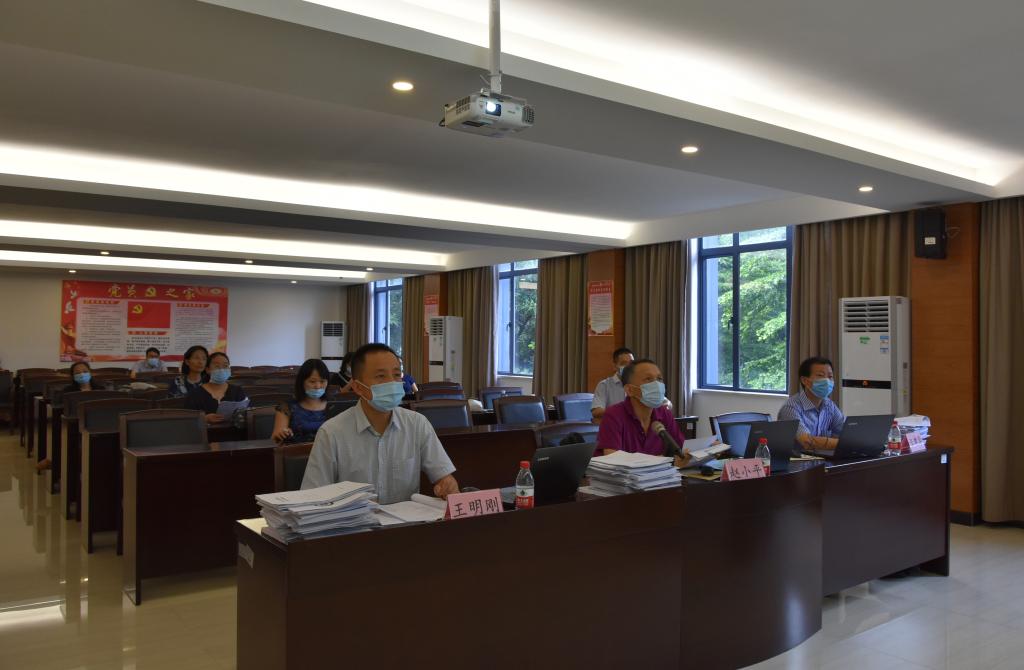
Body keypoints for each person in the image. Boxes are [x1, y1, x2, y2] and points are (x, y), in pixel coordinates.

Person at [301, 343, 459, 504]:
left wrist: (447, 485)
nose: (392, 382)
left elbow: (444, 476)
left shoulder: (417, 424)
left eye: (396, 375)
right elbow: (313, 498)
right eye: (381, 376)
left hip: (405, 519)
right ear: (358, 387)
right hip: (354, 520)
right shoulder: (332, 432)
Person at [596, 358, 689, 464]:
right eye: (648, 379)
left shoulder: (664, 413)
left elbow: (681, 449)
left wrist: (687, 456)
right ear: (630, 390)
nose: (656, 384)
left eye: (659, 379)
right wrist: (659, 460)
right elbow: (612, 459)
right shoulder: (613, 415)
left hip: (662, 474)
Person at [778, 356, 846, 451]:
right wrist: (846, 443)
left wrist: (849, 442)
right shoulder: (790, 408)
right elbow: (807, 442)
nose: (827, 381)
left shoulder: (830, 405)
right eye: (820, 375)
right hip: (796, 459)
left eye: (830, 377)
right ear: (804, 380)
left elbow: (845, 434)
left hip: (821, 457)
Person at [272, 358, 329, 444]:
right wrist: (282, 434)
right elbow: (275, 439)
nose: (318, 386)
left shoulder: (333, 405)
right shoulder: (286, 407)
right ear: (302, 382)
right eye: (312, 381)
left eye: (322, 381)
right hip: (296, 451)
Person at [184, 352, 248, 424]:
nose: (221, 370)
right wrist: (204, 419)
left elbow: (246, 414)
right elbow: (187, 420)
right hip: (206, 431)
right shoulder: (195, 394)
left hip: (234, 430)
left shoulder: (237, 391)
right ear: (208, 370)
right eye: (217, 366)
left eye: (225, 366)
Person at [591, 347, 634, 420]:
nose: (628, 367)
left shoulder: (638, 384)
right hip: (614, 423)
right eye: (624, 363)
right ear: (615, 366)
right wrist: (621, 412)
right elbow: (596, 412)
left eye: (631, 363)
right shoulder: (604, 385)